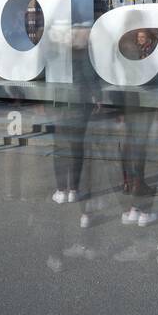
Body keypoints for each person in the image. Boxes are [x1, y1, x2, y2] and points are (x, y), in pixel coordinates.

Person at [52, 24, 100, 218]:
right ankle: (73, 189)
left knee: (60, 148)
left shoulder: (62, 55)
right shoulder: (84, 54)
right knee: (76, 147)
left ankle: (61, 190)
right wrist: (98, 97)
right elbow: (90, 77)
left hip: (62, 104)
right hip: (80, 105)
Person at [119, 29, 158, 225]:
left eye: (143, 37)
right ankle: (138, 198)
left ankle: (136, 193)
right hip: (137, 107)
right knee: (136, 149)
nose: (140, 39)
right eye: (138, 37)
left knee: (136, 148)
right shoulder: (138, 54)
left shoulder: (149, 52)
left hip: (141, 106)